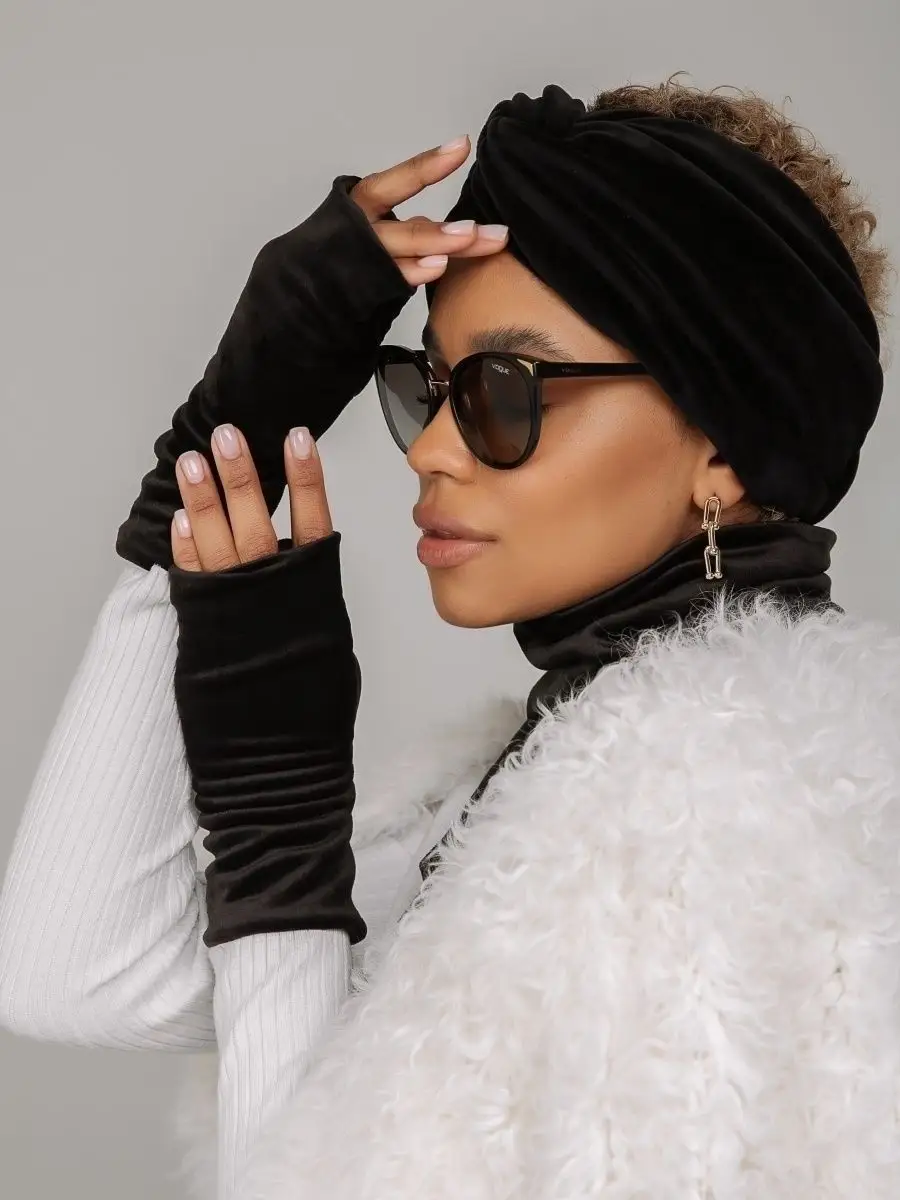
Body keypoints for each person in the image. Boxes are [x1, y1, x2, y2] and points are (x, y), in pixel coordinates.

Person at [1, 77, 898, 1199]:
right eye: (425, 386)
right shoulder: (551, 792)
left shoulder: (713, 829)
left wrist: (280, 840)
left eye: (503, 391)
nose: (430, 448)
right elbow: (74, 974)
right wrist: (203, 468)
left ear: (722, 446)